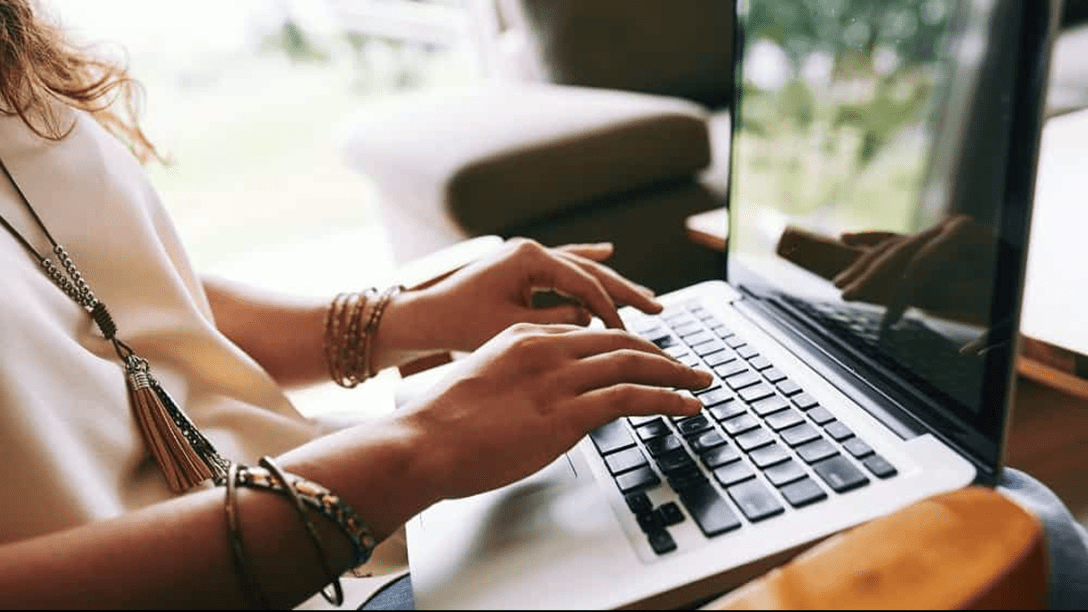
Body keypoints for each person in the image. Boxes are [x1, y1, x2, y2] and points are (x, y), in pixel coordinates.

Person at [0, 2, 1084, 610]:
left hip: (341, 517)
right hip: (309, 561)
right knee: (1024, 530)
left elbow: (116, 304)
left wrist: (397, 318)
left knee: (905, 447)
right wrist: (416, 450)